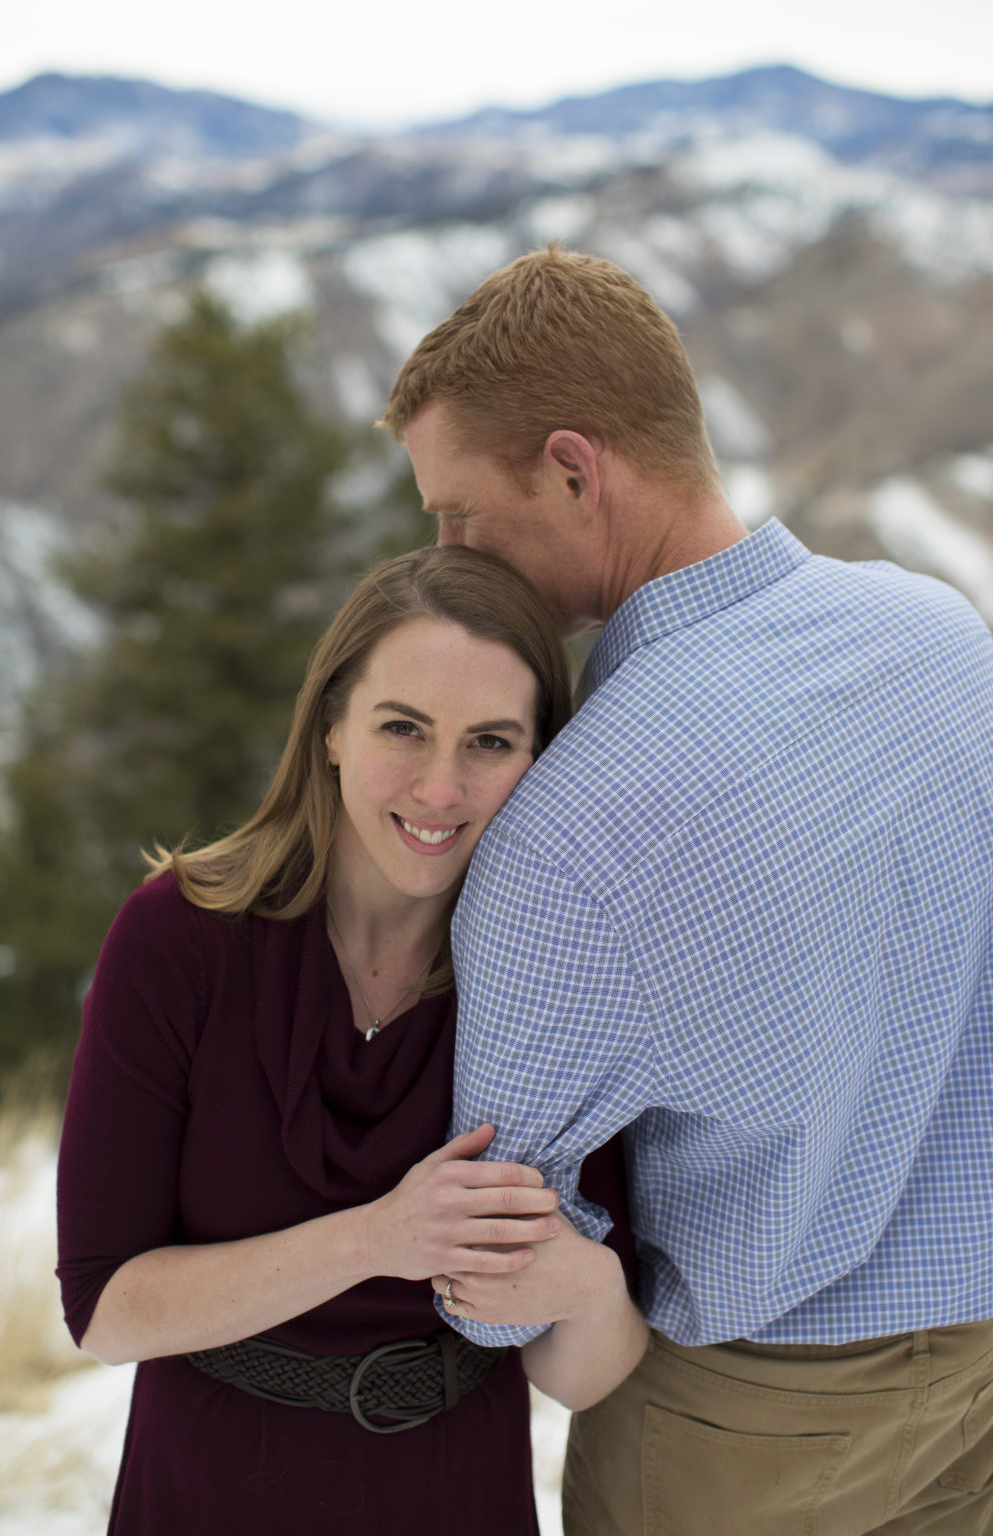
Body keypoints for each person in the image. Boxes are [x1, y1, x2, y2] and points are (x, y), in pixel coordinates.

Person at [382, 245, 993, 1535]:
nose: (445, 547)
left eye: (455, 513)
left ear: (570, 468)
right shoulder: (948, 636)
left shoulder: (567, 834)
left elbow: (510, 1266)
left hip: (749, 1426)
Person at [56, 544, 647, 1536]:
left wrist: (592, 1291)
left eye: (491, 743)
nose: (439, 788)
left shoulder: (560, 981)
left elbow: (577, 1375)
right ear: (330, 725)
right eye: (402, 729)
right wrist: (377, 1238)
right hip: (212, 1487)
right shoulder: (178, 940)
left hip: (456, 1487)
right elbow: (107, 1310)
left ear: (542, 761)